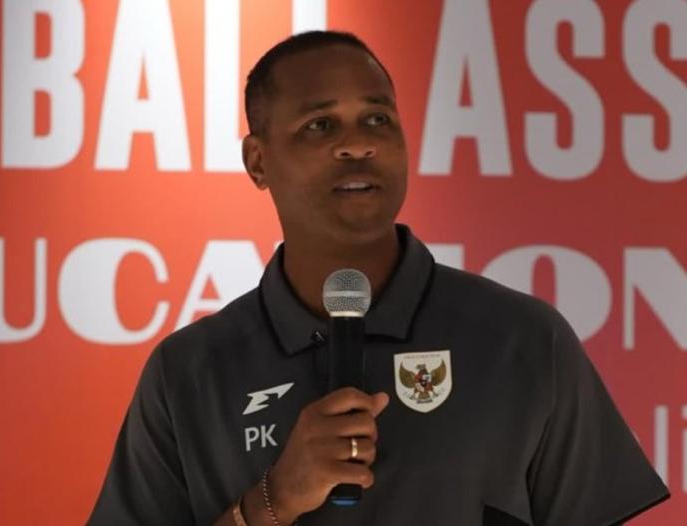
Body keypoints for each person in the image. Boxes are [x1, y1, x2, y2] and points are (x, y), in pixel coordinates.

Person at [88, 31, 670, 525]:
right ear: (257, 161)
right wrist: (274, 500)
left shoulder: (524, 339)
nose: (358, 144)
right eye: (320, 125)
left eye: (377, 119)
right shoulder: (189, 372)